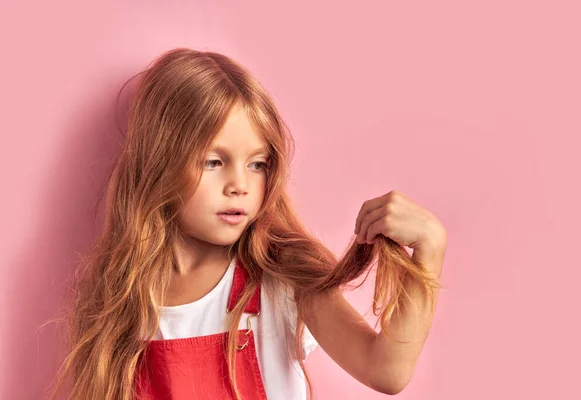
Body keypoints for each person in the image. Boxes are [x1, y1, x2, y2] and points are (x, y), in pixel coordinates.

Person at [49, 48, 447, 400]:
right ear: (160, 163)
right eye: (214, 161)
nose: (239, 185)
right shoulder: (124, 295)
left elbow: (388, 371)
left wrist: (430, 246)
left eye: (257, 164)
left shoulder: (282, 277)